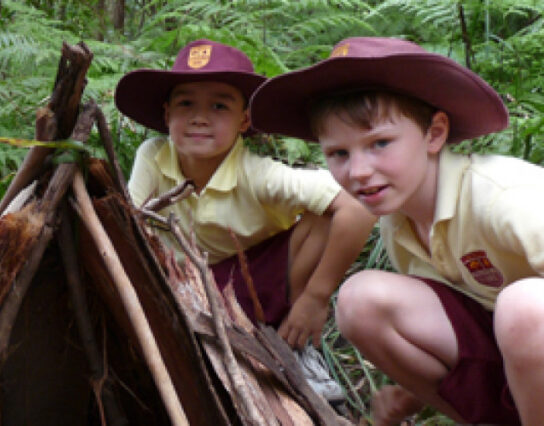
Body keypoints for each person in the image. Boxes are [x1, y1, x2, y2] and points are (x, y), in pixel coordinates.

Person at [250, 36, 536, 425]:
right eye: (339, 153)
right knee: (362, 302)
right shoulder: (400, 224)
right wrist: (409, 395)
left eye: (380, 143)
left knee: (525, 308)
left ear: (434, 134)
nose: (359, 171)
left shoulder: (503, 198)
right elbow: (463, 322)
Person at [117, 39, 374, 347]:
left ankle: (286, 341)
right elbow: (129, 226)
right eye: (186, 103)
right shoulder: (153, 155)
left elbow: (359, 206)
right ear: (167, 113)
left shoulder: (257, 174)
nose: (200, 117)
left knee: (326, 217)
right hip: (177, 286)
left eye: (219, 106)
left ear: (244, 119)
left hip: (255, 291)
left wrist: (315, 298)